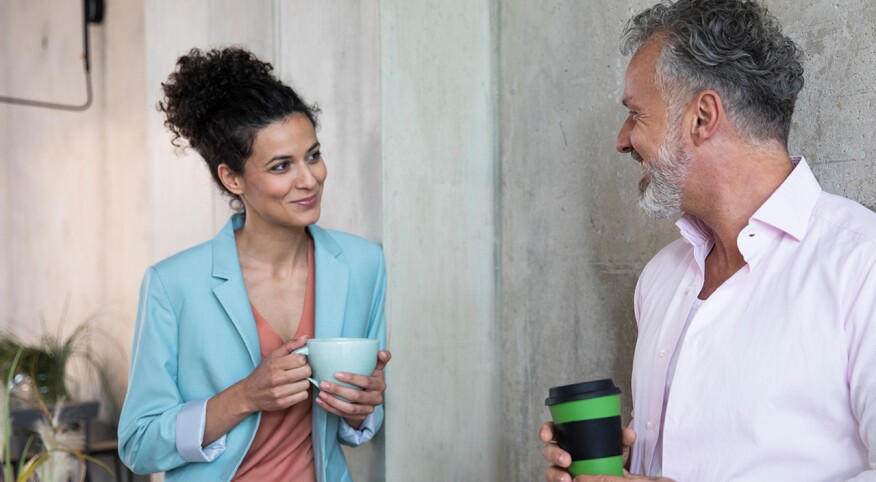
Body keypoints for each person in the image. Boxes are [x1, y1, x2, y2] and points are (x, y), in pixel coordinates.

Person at [540, 0, 876, 480]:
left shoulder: (862, 267)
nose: (621, 139)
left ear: (702, 117)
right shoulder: (661, 278)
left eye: (636, 115)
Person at [117, 47, 390, 482]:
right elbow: (138, 443)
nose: (309, 179)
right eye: (282, 166)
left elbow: (355, 430)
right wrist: (244, 396)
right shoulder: (173, 285)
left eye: (313, 155)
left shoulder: (364, 265)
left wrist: (361, 408)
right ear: (232, 178)